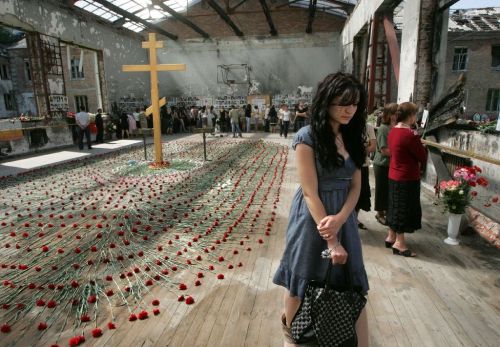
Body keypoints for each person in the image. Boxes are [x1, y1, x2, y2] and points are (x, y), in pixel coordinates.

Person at [273, 72, 369, 346]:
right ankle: (292, 336)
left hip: (343, 218)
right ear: (326, 101)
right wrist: (332, 238)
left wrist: (341, 219)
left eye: (355, 103)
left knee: (352, 279)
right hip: (312, 219)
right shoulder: (308, 137)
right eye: (343, 103)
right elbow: (309, 192)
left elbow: (355, 187)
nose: (349, 110)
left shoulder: (353, 137)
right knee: (303, 277)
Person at [386, 102, 427, 257]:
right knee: (403, 208)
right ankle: (400, 243)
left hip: (393, 173)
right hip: (407, 176)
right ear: (410, 116)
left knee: (394, 205)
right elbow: (422, 156)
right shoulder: (410, 135)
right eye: (414, 114)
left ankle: (391, 237)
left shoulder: (393, 132)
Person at [372, 103, 398, 226]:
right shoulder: (384, 128)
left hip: (391, 163)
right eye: (395, 113)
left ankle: (388, 211)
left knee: (389, 190)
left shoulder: (396, 127)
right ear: (389, 114)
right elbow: (384, 150)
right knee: (381, 190)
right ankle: (380, 213)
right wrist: (401, 153)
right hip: (382, 164)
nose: (397, 115)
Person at [355, 118, 376, 229]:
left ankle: (355, 218)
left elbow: (373, 146)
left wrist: (360, 149)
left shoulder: (368, 127)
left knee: (360, 192)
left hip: (363, 164)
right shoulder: (347, 125)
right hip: (348, 164)